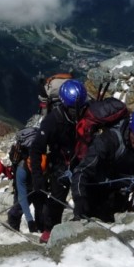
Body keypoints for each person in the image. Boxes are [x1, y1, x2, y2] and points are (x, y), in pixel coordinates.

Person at [29, 78, 88, 242]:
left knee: (81, 192)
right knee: (57, 198)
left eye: (80, 108)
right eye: (74, 109)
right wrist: (37, 178)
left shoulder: (85, 112)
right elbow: (36, 149)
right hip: (60, 163)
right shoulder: (51, 121)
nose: (77, 112)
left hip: (78, 158)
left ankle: (83, 223)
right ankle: (50, 231)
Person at [6, 127, 45, 233]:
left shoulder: (44, 160)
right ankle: (12, 233)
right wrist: (29, 221)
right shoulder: (21, 169)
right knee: (17, 210)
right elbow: (22, 197)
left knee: (41, 209)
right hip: (25, 187)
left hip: (39, 185)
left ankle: (42, 231)